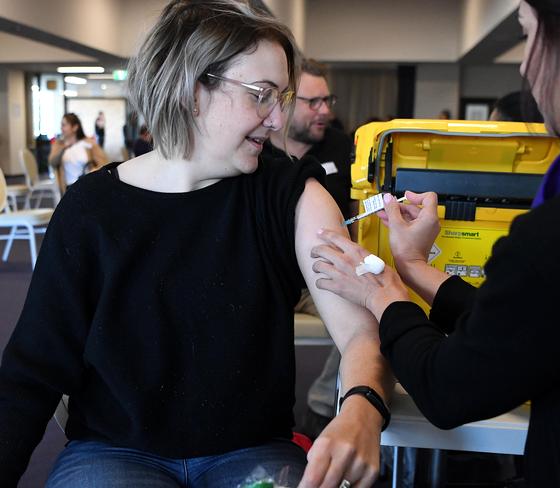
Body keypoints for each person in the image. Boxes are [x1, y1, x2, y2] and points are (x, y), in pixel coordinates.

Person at [0, 2, 391, 487]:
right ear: (191, 91)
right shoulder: (91, 211)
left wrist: (362, 407)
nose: (276, 120)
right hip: (115, 450)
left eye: (281, 98)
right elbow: (33, 369)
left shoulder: (289, 194)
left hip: (250, 450)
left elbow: (359, 330)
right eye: (261, 96)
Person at [311, 1, 560, 487]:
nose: (524, 63)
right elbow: (541, 320)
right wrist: (411, 264)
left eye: (529, 34)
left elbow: (449, 388)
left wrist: (379, 290)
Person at [261, 58, 355, 440]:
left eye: (327, 100)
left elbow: (356, 213)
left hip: (319, 273)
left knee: (368, 308)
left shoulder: (341, 146)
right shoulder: (255, 148)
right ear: (284, 103)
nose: (325, 110)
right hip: (271, 269)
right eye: (313, 102)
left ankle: (320, 405)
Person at [48, 113, 108, 194]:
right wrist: (63, 149)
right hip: (69, 189)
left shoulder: (88, 143)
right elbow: (52, 163)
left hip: (88, 185)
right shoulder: (58, 145)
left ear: (75, 127)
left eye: (64, 125)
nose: (61, 128)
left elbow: (104, 162)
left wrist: (95, 170)